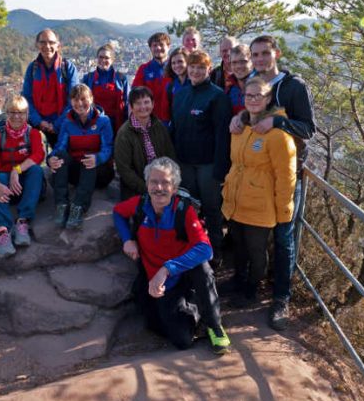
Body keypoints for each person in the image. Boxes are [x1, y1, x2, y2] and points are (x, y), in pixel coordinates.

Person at [229, 35, 316, 331]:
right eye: (256, 54)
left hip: (289, 172)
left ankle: (281, 298)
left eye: (265, 53)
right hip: (259, 177)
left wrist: (278, 123)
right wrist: (241, 116)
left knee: (283, 237)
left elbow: (308, 128)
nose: (261, 59)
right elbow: (255, 111)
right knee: (255, 236)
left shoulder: (293, 86)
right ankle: (254, 285)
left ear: (276, 53)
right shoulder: (254, 81)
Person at [113, 157, 230, 354]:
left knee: (202, 268)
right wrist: (127, 239)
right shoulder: (140, 206)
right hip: (158, 281)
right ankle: (194, 307)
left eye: (166, 182)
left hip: (181, 273)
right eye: (154, 182)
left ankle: (214, 325)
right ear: (147, 184)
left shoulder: (184, 211)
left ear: (174, 188)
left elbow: (205, 249)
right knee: (172, 334)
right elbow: (118, 213)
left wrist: (167, 269)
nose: (159, 188)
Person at [221, 77, 296, 305]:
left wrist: (284, 210)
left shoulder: (278, 136)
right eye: (249, 95)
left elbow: (286, 176)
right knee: (239, 248)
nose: (253, 100)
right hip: (236, 201)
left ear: (268, 99)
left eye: (258, 96)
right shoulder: (241, 128)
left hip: (260, 206)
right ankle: (239, 280)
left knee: (256, 253)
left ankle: (251, 291)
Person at [171, 50, 231, 265]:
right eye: (192, 67)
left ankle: (215, 253)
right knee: (189, 208)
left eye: (200, 67)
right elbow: (175, 128)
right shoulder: (180, 94)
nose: (195, 71)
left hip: (208, 164)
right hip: (185, 162)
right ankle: (192, 249)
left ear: (208, 69)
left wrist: (220, 169)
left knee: (212, 208)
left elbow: (223, 136)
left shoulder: (217, 97)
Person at [0, 95, 45, 258]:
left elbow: (39, 155)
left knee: (36, 171)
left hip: (27, 185)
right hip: (6, 188)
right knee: (0, 178)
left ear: (27, 114)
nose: (17, 117)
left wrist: (16, 170)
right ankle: (3, 231)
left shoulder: (33, 134)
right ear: (6, 113)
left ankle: (22, 221)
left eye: (21, 113)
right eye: (12, 112)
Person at [48, 84, 114, 229]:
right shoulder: (67, 122)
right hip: (78, 171)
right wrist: (50, 159)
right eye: (75, 100)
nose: (79, 104)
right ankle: (62, 204)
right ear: (71, 102)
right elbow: (60, 146)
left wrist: (97, 159)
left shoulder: (103, 121)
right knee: (60, 155)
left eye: (83, 99)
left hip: (99, 172)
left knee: (89, 159)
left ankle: (78, 207)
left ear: (91, 99)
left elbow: (108, 148)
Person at [114, 86, 176, 200]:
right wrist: (147, 187)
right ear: (131, 107)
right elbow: (124, 169)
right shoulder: (124, 133)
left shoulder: (159, 126)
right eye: (138, 103)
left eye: (146, 102)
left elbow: (170, 155)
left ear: (152, 104)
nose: (143, 107)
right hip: (137, 188)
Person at [22, 28, 79, 147]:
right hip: (37, 124)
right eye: (43, 42)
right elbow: (26, 98)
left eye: (51, 42)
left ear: (58, 45)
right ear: (37, 45)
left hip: (62, 124)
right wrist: (39, 122)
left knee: (61, 160)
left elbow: (73, 101)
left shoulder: (68, 68)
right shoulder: (32, 69)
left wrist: (56, 125)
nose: (47, 46)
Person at [82, 44, 129, 134]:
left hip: (117, 125)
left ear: (112, 60)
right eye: (100, 57)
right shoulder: (88, 78)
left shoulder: (122, 79)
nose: (103, 60)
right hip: (94, 125)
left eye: (107, 58)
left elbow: (127, 104)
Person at [131, 32, 172, 124]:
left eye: (161, 45)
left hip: (173, 120)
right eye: (154, 45)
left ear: (168, 46)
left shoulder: (175, 68)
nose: (158, 48)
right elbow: (134, 95)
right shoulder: (144, 69)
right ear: (150, 48)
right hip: (150, 121)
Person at [225, 44, 254, 115]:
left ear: (252, 62)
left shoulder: (264, 86)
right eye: (234, 63)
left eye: (243, 62)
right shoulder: (229, 89)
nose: (238, 66)